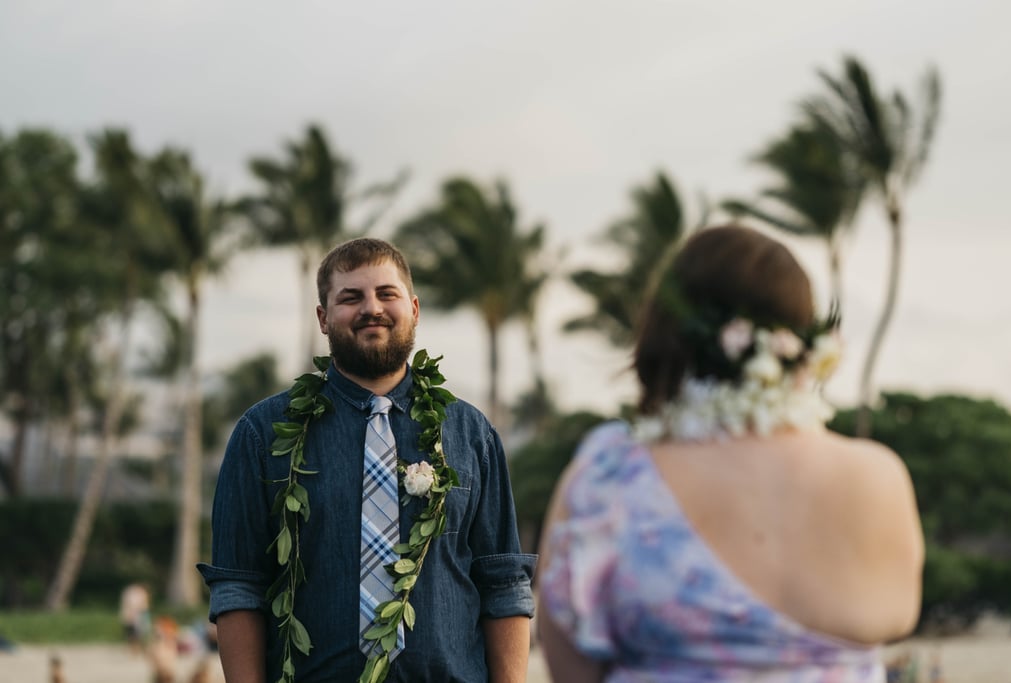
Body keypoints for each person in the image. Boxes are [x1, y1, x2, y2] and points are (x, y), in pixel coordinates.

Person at [537, 224, 924, 682]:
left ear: (669, 330)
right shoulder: (878, 477)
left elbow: (570, 664)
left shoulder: (610, 478)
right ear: (802, 343)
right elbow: (898, 614)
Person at [198, 238, 535, 682]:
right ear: (323, 317)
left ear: (414, 308)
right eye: (350, 297)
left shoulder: (471, 434)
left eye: (386, 294)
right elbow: (239, 585)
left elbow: (504, 583)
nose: (371, 308)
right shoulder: (262, 434)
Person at [119, 582, 151, 653]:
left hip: (138, 615)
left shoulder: (137, 593)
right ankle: (136, 649)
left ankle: (137, 648)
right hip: (136, 615)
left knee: (137, 634)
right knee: (134, 634)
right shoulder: (137, 593)